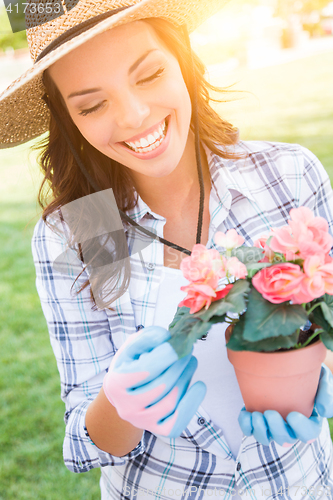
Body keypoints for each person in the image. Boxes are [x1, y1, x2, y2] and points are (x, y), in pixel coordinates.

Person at [1, 1, 333, 498]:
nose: (134, 117)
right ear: (68, 120)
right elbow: (83, 442)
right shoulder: (88, 229)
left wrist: (317, 372)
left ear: (182, 57)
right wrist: (120, 404)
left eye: (150, 73)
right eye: (91, 105)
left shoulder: (284, 176)